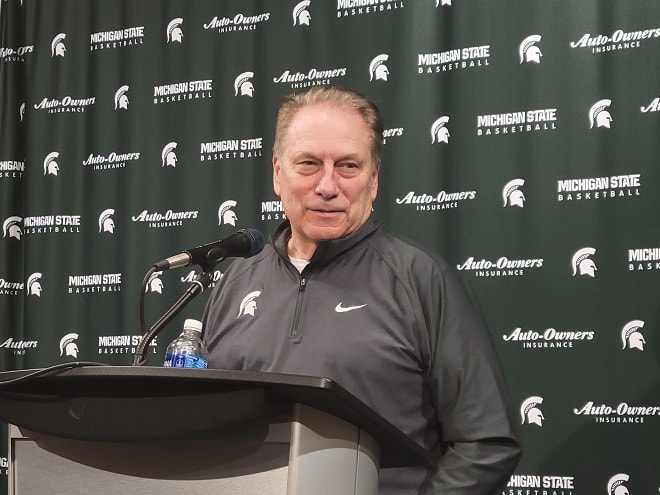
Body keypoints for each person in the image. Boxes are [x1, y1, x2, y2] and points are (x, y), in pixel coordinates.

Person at [202, 86, 521, 494]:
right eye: (309, 164)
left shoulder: (421, 278)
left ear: (373, 180)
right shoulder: (236, 281)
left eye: (349, 166)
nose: (328, 186)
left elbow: (487, 443)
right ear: (278, 173)